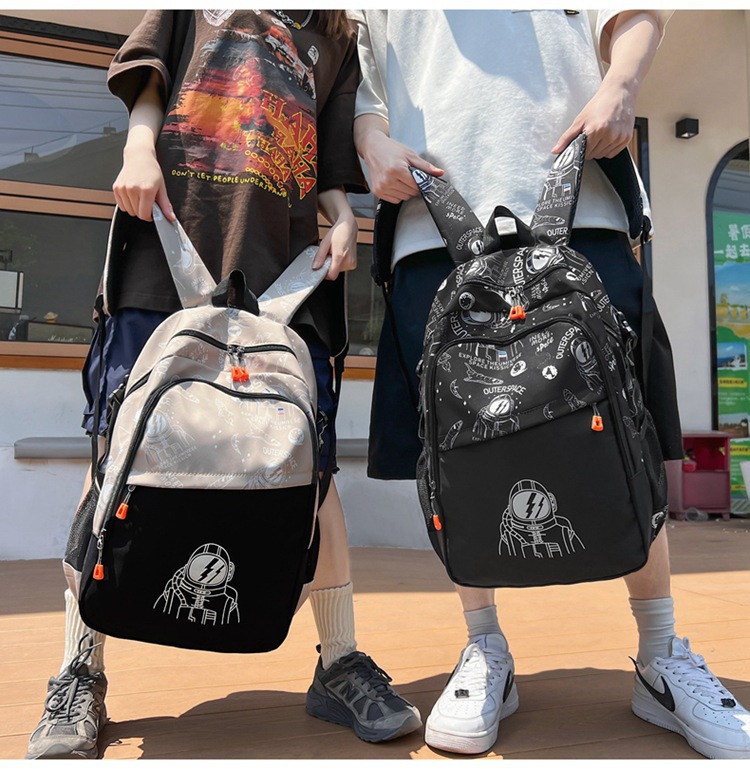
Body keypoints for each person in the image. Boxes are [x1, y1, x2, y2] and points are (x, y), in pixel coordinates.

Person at [352, 9, 750, 760]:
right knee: (459, 451)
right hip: (430, 223)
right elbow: (365, 83)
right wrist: (371, 142)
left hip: (583, 203)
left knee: (625, 430)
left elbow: (633, 14)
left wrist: (622, 84)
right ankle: (485, 647)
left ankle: (660, 652)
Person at [25, 10, 422, 760]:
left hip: (288, 277)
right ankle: (80, 670)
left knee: (314, 472)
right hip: (163, 251)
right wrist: (138, 148)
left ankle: (339, 662)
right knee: (114, 456)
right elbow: (150, 78)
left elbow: (326, 160)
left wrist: (342, 218)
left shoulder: (335, 32)